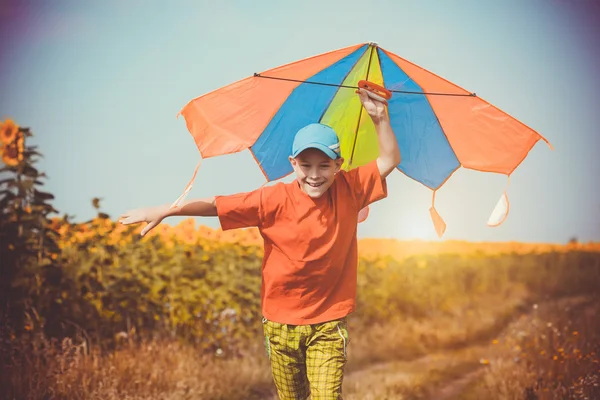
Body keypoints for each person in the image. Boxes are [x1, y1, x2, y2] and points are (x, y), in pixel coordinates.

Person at [119, 89, 401, 400]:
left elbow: (389, 159)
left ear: (339, 165)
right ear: (293, 163)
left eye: (324, 166)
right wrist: (166, 209)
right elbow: (216, 205)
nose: (314, 175)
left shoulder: (351, 188)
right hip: (279, 324)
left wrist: (380, 118)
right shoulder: (272, 199)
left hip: (328, 323)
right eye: (305, 165)